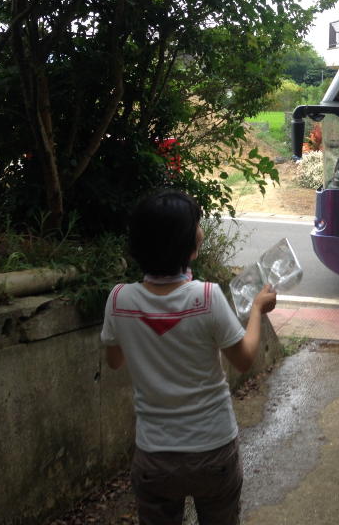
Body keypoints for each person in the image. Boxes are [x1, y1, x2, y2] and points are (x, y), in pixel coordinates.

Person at [100, 190, 277, 525]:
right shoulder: (206, 297)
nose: (201, 230)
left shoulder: (119, 299)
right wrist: (256, 309)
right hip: (212, 450)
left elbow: (114, 361)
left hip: (154, 455)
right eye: (197, 224)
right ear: (188, 244)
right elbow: (244, 360)